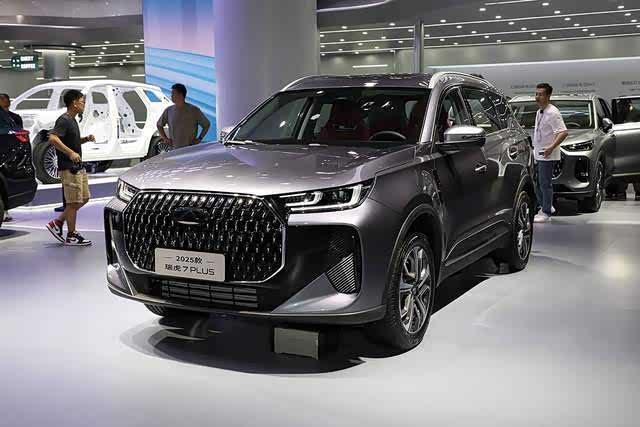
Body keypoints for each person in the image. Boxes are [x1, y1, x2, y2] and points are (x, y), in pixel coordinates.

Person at [45, 89, 95, 246]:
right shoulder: (64, 120)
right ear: (74, 103)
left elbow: (70, 141)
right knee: (73, 202)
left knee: (84, 198)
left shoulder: (72, 120)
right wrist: (70, 153)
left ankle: (58, 223)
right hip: (69, 168)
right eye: (82, 101)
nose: (83, 104)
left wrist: (85, 139)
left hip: (77, 167)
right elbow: (53, 138)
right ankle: (71, 235)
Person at [532, 83, 569, 223]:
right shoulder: (539, 111)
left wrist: (551, 148)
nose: (537, 97)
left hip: (547, 155)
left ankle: (546, 212)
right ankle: (546, 206)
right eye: (536, 94)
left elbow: (563, 132)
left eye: (541, 94)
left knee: (545, 183)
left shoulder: (553, 112)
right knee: (538, 182)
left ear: (548, 96)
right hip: (538, 153)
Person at [157, 83, 210, 149]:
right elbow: (159, 125)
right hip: (174, 149)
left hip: (190, 149)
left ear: (180, 95)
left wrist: (199, 138)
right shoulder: (169, 110)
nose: (171, 96)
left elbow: (206, 125)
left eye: (173, 93)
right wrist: (165, 138)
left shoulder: (194, 110)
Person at [0, 93, 24, 222]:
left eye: (5, 101)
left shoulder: (15, 118)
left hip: (10, 154)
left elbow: (19, 135)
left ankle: (5, 210)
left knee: (6, 182)